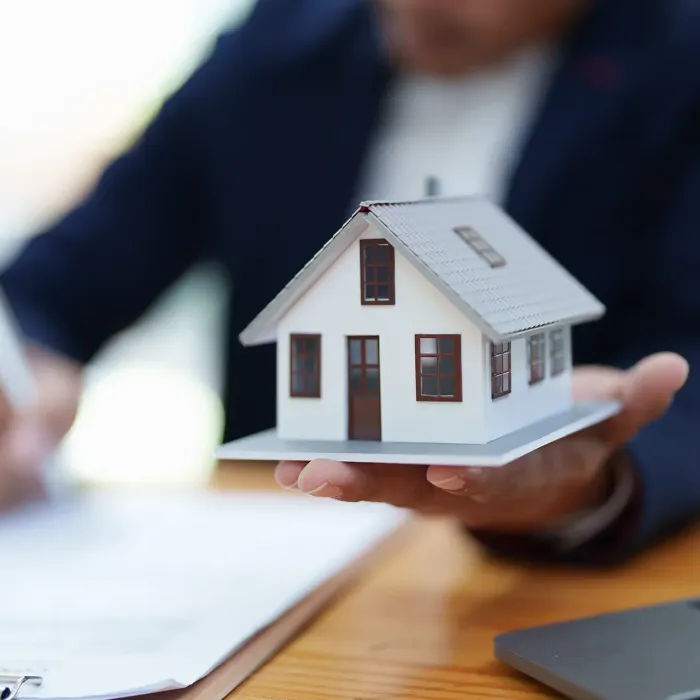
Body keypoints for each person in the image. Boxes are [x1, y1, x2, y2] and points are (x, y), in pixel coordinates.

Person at [0, 0, 698, 563]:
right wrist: (23, 374)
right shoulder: (274, 42)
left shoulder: (677, 63)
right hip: (270, 554)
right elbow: (61, 282)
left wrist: (603, 483)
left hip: (546, 574)